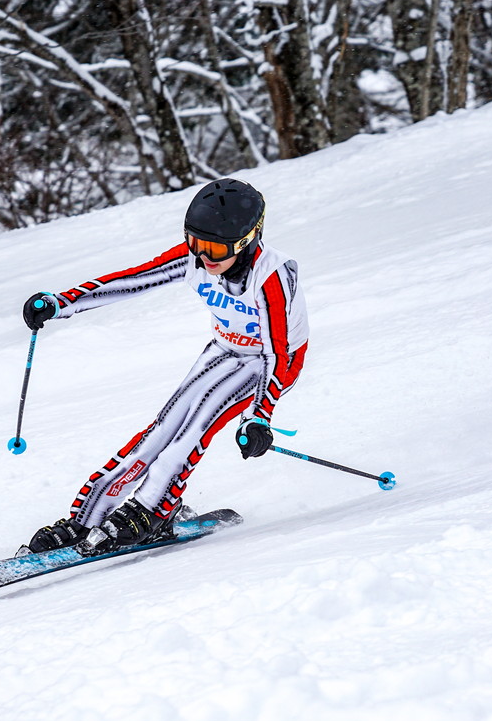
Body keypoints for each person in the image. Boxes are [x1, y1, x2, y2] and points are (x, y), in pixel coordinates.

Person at [21, 178, 309, 555]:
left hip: (269, 362)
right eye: (195, 242)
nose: (203, 257)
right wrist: (63, 302)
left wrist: (259, 416)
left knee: (193, 429)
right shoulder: (196, 259)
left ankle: (154, 509)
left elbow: (277, 354)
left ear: (248, 240)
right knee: (161, 430)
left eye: (215, 248)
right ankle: (86, 517)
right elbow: (133, 280)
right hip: (223, 349)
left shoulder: (271, 276)